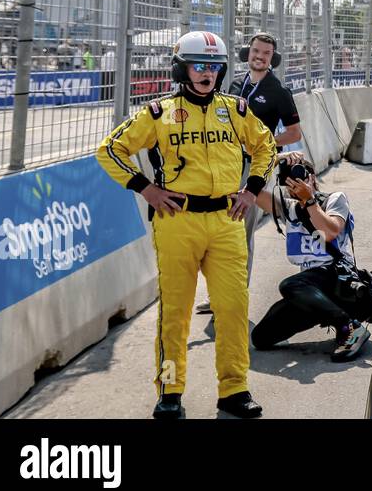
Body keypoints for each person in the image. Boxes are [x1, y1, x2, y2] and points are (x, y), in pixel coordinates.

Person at [96, 30, 276, 419]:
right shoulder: (157, 113)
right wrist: (146, 189)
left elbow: (266, 147)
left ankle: (234, 390)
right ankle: (170, 390)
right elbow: (110, 150)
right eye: (199, 65)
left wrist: (252, 189)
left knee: (232, 308)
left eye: (214, 66)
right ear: (182, 68)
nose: (207, 73)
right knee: (175, 313)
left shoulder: (237, 110)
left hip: (227, 221)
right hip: (177, 222)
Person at [196, 32, 304, 315]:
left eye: (266, 53)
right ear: (248, 53)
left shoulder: (279, 91)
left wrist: (262, 142)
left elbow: (294, 132)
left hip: (254, 165)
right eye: (256, 51)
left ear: (272, 58)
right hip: (223, 163)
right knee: (219, 229)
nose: (260, 56)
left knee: (241, 228)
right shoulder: (234, 83)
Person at [250, 153, 372, 361]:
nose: (296, 183)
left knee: (289, 285)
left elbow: (331, 230)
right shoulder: (287, 207)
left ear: (312, 177)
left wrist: (309, 200)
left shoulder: (334, 199)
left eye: (301, 175)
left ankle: (348, 326)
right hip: (309, 289)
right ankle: (325, 313)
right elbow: (251, 190)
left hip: (337, 280)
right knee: (261, 337)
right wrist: (275, 159)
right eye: (290, 178)